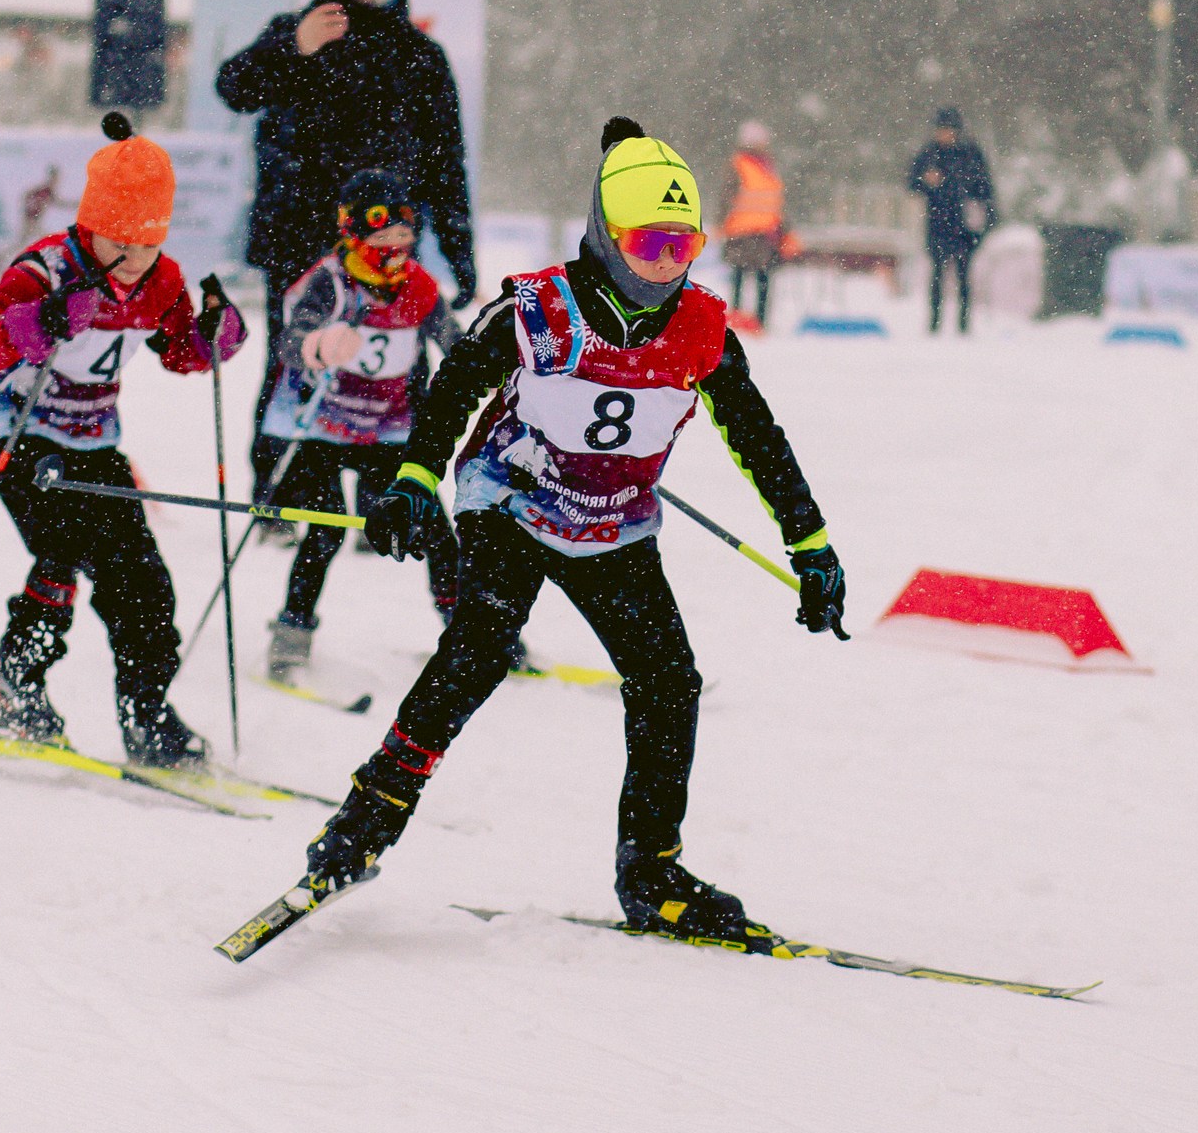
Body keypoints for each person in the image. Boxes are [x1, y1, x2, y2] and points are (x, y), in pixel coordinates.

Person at [291, 117, 848, 942]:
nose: (667, 261)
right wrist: (413, 479)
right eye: (648, 241)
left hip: (613, 524)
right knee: (478, 649)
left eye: (683, 242)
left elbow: (758, 439)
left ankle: (651, 868)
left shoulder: (700, 329)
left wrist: (810, 542)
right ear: (605, 233)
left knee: (668, 681)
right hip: (510, 502)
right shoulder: (537, 306)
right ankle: (363, 825)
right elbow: (452, 389)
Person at [0, 114, 247, 770]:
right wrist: (42, 320)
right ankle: (16, 691)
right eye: (118, 242)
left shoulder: (162, 280)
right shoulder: (45, 269)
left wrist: (213, 338)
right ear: (91, 225)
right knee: (62, 551)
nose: (131, 262)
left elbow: (180, 351)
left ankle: (147, 715)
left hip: (91, 435)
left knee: (140, 580)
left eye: (146, 245)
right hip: (15, 430)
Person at [215, 0, 477, 508]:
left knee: (400, 373)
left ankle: (389, 500)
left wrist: (461, 256)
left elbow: (447, 164)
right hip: (300, 238)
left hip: (388, 246)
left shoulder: (420, 55)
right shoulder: (299, 29)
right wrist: (294, 48)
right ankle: (280, 495)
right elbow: (233, 88)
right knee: (293, 361)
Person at [259, 168, 461, 677]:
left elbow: (458, 346)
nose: (396, 249)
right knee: (324, 533)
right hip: (324, 430)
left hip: (388, 432)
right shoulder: (329, 282)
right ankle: (291, 634)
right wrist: (318, 345)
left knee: (435, 528)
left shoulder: (418, 287)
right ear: (353, 235)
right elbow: (289, 341)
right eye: (383, 238)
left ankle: (468, 631)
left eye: (404, 237)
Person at [905, 107, 996, 336]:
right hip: (937, 222)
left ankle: (964, 324)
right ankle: (934, 323)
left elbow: (984, 188)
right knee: (936, 274)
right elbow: (911, 183)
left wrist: (982, 215)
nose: (945, 135)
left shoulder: (970, 154)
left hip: (965, 225)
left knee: (964, 275)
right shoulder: (929, 154)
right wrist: (926, 182)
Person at [717, 120, 796, 334]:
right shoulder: (764, 166)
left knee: (743, 277)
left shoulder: (751, 165)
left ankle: (743, 320)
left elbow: (728, 197)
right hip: (752, 233)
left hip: (752, 233)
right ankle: (752, 321)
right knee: (756, 278)